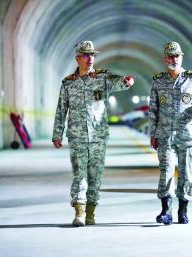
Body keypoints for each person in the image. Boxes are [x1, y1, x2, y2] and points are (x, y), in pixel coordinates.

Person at [52, 40, 135, 227]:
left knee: (95, 175)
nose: (90, 59)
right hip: (77, 136)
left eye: (92, 55)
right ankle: (79, 212)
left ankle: (91, 211)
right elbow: (61, 110)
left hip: (98, 136)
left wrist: (126, 82)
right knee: (79, 174)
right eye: (86, 55)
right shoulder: (68, 84)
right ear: (77, 58)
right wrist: (57, 133)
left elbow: (118, 83)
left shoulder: (102, 78)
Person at [149, 41, 192, 225]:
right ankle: (166, 211)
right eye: (170, 56)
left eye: (177, 56)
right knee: (165, 172)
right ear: (165, 58)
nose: (174, 59)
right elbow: (153, 109)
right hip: (165, 134)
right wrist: (153, 133)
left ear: (181, 57)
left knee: (185, 174)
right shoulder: (158, 81)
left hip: (186, 134)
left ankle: (183, 211)